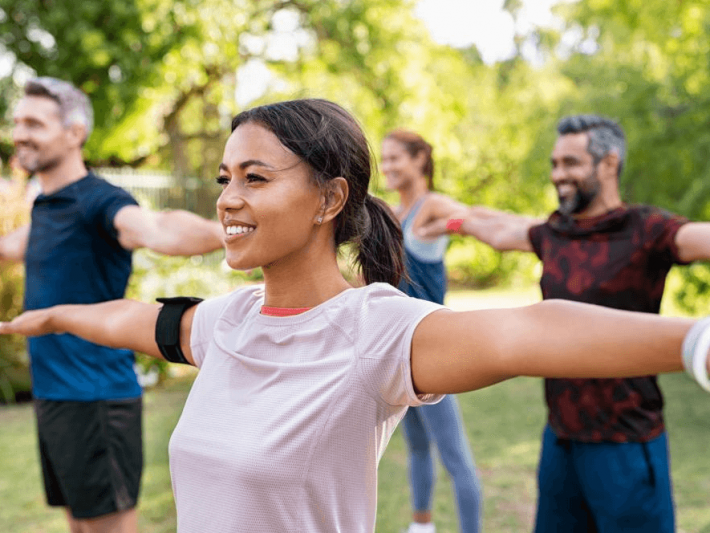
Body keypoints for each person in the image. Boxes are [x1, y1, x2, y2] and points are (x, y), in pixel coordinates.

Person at [0, 100, 707, 533]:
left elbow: (527, 330)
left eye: (255, 177)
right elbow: (140, 320)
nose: (228, 198)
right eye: (224, 178)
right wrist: (59, 313)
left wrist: (695, 339)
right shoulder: (227, 323)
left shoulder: (374, 330)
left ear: (330, 198)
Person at [412, 114, 710, 532]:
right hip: (561, 441)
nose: (558, 175)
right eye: (555, 164)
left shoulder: (646, 230)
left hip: (625, 443)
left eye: (570, 163)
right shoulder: (555, 232)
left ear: (608, 164)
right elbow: (499, 228)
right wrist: (449, 223)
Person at [0, 77, 224, 533]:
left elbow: (155, 228)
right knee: (80, 526)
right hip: (55, 396)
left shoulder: (99, 201)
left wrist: (229, 233)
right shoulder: (47, 205)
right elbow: (13, 248)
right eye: (18, 121)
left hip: (96, 399)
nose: (19, 131)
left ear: (74, 132)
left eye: (34, 123)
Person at [381, 130, 481, 533]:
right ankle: (421, 527)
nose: (387, 167)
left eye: (395, 159)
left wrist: (451, 225)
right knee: (417, 447)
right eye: (383, 160)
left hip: (434, 349)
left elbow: (469, 218)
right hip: (398, 350)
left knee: (454, 455)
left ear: (420, 158)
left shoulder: (431, 206)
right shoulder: (393, 213)